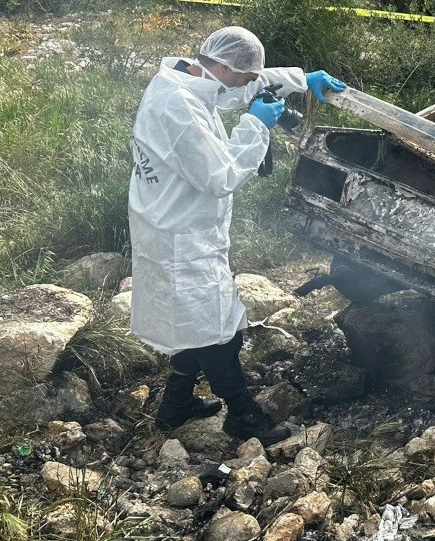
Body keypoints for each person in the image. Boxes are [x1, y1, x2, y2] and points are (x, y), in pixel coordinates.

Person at [128, 26, 346, 444]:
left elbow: (236, 88)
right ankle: (243, 415)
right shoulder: (179, 107)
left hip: (175, 223)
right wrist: (255, 127)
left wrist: (302, 79)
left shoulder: (187, 78)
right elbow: (221, 174)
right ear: (225, 65)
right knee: (219, 329)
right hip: (181, 235)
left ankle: (175, 406)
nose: (249, 84)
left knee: (194, 320)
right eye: (247, 76)